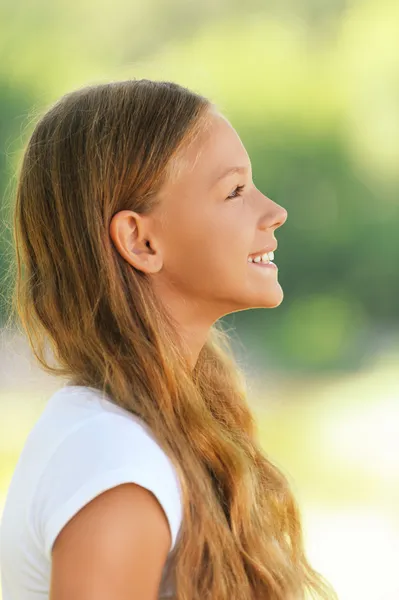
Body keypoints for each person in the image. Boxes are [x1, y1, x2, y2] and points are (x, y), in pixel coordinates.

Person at [0, 79, 337, 600]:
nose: (274, 212)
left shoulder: (138, 435)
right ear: (141, 240)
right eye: (235, 191)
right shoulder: (113, 465)